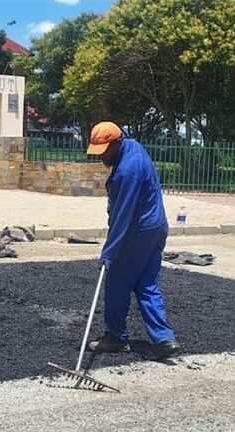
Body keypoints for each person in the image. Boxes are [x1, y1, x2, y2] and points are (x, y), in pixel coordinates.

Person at [84, 122, 180, 360]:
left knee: (117, 282)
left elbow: (122, 216)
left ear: (117, 142)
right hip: (157, 228)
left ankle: (115, 337)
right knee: (146, 283)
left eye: (105, 150)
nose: (102, 156)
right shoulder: (134, 147)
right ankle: (164, 338)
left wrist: (109, 252)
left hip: (138, 231)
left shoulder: (127, 172)